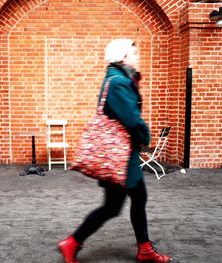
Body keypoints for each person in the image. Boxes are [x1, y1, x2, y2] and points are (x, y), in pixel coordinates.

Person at [58, 39, 171, 263]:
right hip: (121, 158)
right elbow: (130, 118)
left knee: (116, 205)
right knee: (125, 202)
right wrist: (145, 136)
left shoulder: (117, 78)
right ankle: (73, 242)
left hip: (118, 157)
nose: (137, 57)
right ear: (122, 57)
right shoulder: (119, 82)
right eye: (134, 53)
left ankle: (74, 242)